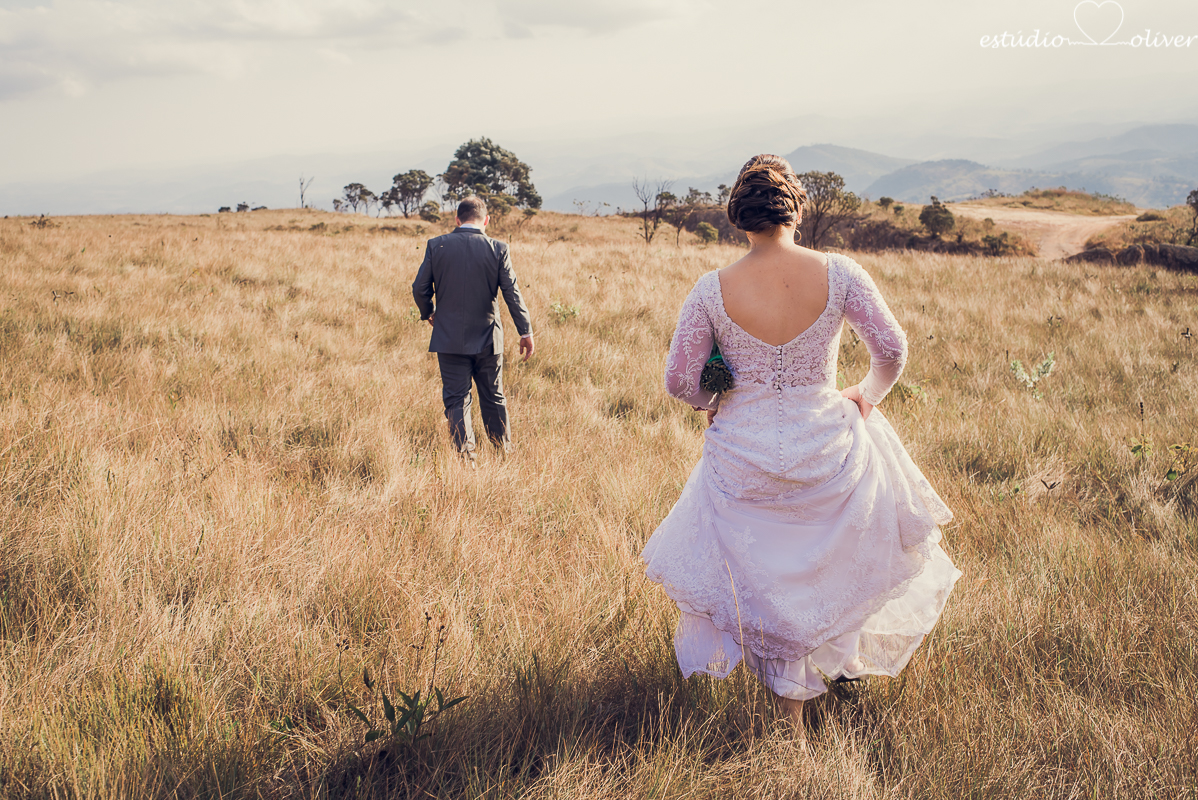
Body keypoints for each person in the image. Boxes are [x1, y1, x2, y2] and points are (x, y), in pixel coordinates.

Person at [641, 155, 961, 729]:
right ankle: (827, 681)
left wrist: (711, 408)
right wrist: (865, 396)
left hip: (743, 453)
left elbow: (677, 380)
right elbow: (891, 348)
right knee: (833, 565)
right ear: (795, 210)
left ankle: (790, 713)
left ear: (740, 216)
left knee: (764, 576)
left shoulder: (713, 289)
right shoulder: (839, 273)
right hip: (828, 446)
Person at [412, 195, 534, 461]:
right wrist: (525, 331)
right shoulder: (498, 248)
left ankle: (467, 460)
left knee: (456, 400)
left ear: (457, 219)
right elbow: (512, 293)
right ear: (486, 220)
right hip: (489, 339)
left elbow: (419, 289)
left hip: (448, 339)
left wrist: (429, 313)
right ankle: (503, 454)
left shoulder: (437, 246)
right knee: (493, 396)